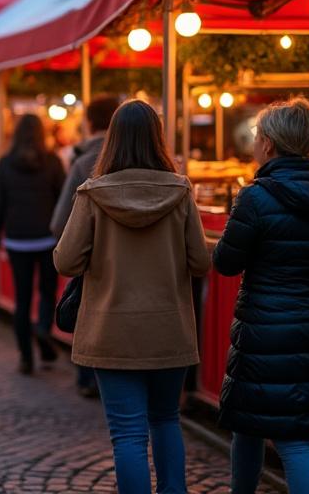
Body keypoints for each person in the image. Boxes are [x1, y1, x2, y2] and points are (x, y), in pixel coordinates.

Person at [54, 100, 211, 494]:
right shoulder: (180, 192)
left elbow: (66, 261)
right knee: (165, 420)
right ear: (158, 139)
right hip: (168, 329)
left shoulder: (92, 194)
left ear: (112, 140)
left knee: (127, 435)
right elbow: (200, 261)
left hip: (110, 330)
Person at [214, 98, 309, 494]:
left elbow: (226, 263)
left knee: (253, 427)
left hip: (264, 332)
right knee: (296, 440)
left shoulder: (255, 198)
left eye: (258, 136)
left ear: (270, 144)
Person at [51, 95, 121, 398]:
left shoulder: (83, 165)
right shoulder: (173, 180)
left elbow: (59, 223)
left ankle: (86, 377)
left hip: (95, 266)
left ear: (89, 122)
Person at [0, 114, 67, 375]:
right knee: (47, 291)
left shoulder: (5, 164)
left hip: (17, 239)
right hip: (47, 238)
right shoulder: (53, 162)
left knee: (22, 300)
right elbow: (63, 200)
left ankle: (25, 356)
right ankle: (43, 329)